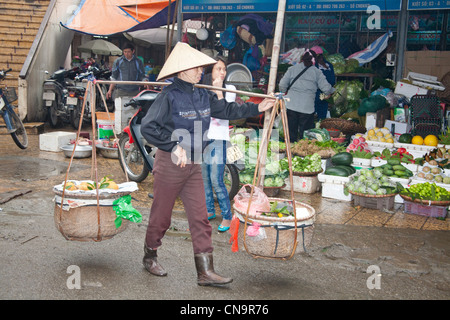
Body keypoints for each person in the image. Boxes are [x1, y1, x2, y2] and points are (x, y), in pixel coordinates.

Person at [140, 42, 275, 286]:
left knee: (200, 218)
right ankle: (150, 255)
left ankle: (205, 272)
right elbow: (149, 127)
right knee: (161, 216)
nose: (201, 70)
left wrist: (258, 106)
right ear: (182, 70)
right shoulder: (168, 96)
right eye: (196, 67)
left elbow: (226, 108)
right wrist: (173, 146)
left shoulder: (202, 94)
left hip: (194, 164)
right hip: (171, 163)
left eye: (202, 67)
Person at [201, 56, 236, 233]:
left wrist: (218, 91)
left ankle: (227, 216)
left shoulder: (229, 88)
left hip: (219, 138)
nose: (222, 72)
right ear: (210, 71)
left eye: (224, 69)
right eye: (218, 69)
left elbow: (226, 111)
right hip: (203, 137)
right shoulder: (202, 88)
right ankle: (209, 210)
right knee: (205, 178)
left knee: (216, 179)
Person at [279, 49, 335, 142]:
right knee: (305, 136)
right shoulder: (317, 72)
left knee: (290, 134)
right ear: (315, 60)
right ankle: (301, 153)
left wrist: (283, 91)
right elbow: (326, 88)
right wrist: (332, 91)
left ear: (302, 58)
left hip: (291, 105)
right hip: (307, 108)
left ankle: (289, 153)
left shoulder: (292, 69)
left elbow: (282, 85)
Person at [310, 46, 336, 120]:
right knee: (320, 114)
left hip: (319, 93)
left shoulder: (314, 66)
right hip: (323, 93)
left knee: (316, 113)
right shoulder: (328, 65)